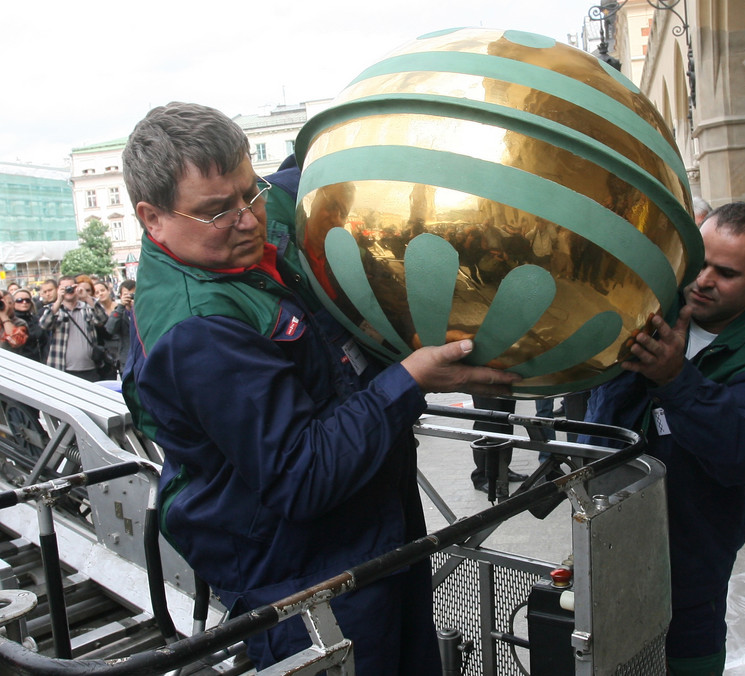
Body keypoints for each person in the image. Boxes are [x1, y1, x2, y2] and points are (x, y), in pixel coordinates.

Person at [120, 101, 519, 674]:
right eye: (217, 212)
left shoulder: (250, 234)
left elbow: (306, 169)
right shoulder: (197, 329)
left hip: (371, 532)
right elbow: (299, 475)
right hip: (302, 573)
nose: (248, 219)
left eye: (248, 193)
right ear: (152, 218)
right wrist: (408, 380)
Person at [583, 202, 745, 675]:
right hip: (608, 547)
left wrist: (677, 381)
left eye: (725, 273)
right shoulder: (645, 314)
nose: (703, 280)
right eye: (698, 263)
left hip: (689, 573)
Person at [39, 276, 104, 381]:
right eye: (64, 288)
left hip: (89, 368)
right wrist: (59, 300)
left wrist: (87, 297)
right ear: (58, 290)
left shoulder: (86, 308)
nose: (68, 290)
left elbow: (102, 319)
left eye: (71, 287)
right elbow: (44, 325)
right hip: (62, 368)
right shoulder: (54, 309)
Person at [104, 280, 136, 373]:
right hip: (125, 361)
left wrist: (136, 309)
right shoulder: (118, 313)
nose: (130, 297)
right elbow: (110, 329)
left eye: (133, 294)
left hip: (143, 359)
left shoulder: (145, 312)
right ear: (120, 296)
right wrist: (121, 306)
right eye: (126, 295)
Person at [7, 288, 46, 361]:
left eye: (27, 300)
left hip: (38, 361)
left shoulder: (37, 319)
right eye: (19, 300)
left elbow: (44, 341)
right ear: (13, 303)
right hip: (16, 361)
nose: (24, 302)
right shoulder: (9, 321)